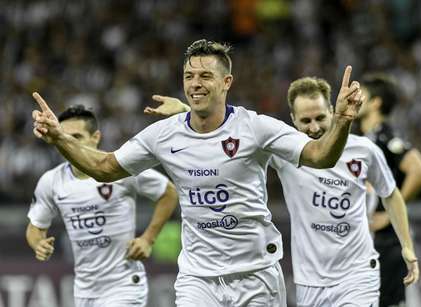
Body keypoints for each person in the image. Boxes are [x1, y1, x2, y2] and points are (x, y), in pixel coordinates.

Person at [31, 39, 364, 307]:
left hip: (256, 275)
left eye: (205, 76)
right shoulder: (163, 135)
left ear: (226, 82)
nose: (195, 83)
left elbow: (320, 156)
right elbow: (105, 168)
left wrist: (343, 122)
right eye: (189, 76)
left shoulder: (255, 128)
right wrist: (58, 137)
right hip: (197, 279)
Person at [147, 76, 420, 307]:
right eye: (306, 120)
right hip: (309, 281)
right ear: (293, 120)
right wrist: (185, 111)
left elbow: (391, 194)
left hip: (358, 274)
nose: (314, 127)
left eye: (321, 118)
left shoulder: (365, 151)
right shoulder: (285, 153)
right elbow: (228, 132)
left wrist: (407, 246)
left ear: (332, 111)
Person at [26, 105, 178, 307]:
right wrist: (39, 244)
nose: (68, 142)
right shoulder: (51, 181)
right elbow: (35, 227)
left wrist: (148, 239)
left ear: (96, 137)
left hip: (124, 285)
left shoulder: (118, 169)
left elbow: (168, 192)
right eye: (63, 135)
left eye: (77, 137)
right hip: (84, 290)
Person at [358, 74, 421, 307]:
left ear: (376, 103)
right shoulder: (367, 139)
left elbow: (420, 170)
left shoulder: (385, 137)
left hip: (387, 241)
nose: (356, 99)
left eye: (363, 96)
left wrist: (390, 213)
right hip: (370, 240)